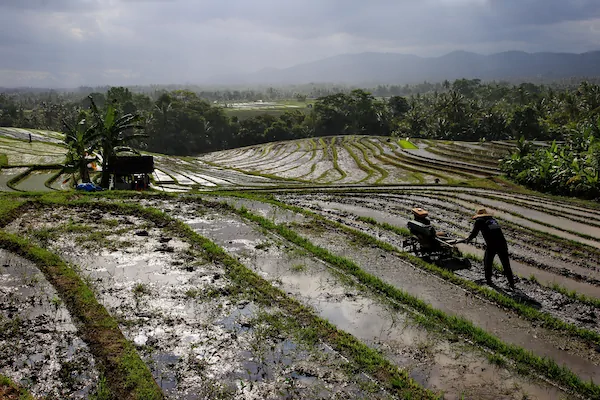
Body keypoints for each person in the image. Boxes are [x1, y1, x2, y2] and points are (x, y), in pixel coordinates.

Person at [457, 208, 515, 289]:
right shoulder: (492, 220)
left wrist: (468, 239)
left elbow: (474, 233)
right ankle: (512, 284)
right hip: (503, 244)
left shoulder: (479, 221)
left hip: (492, 245)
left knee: (487, 262)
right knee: (506, 264)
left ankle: (489, 281)